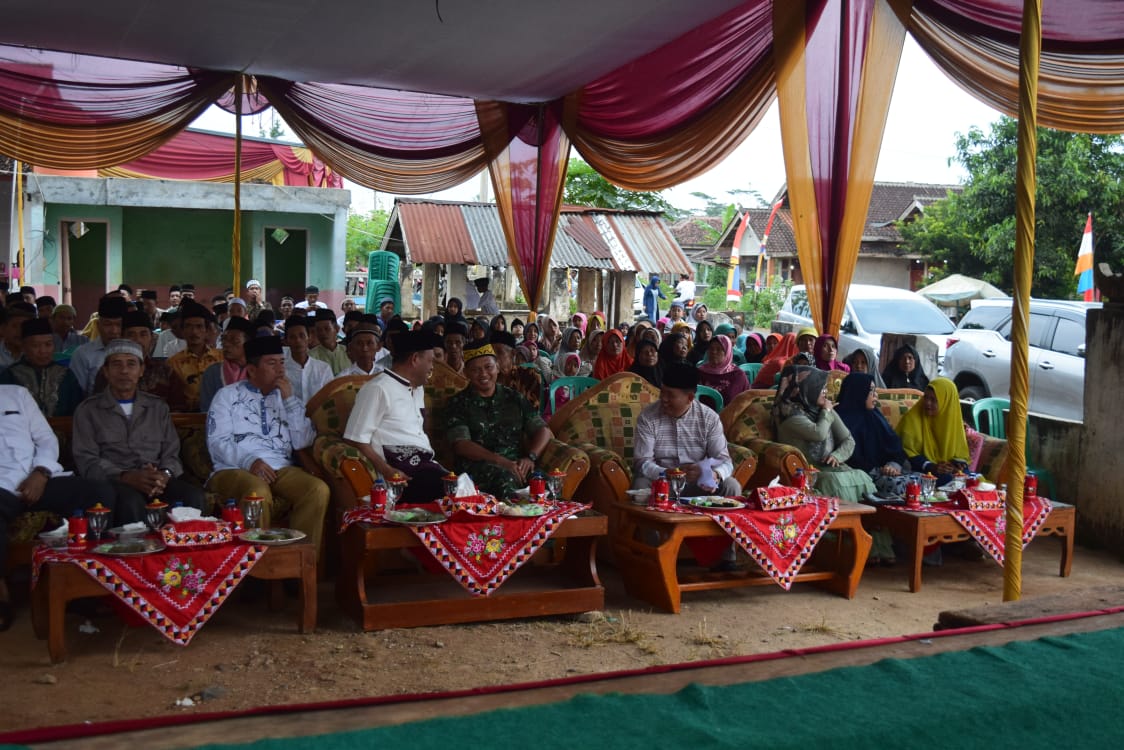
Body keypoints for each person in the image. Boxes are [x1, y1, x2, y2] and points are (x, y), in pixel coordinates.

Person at [0, 385, 116, 631]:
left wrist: (41, 473)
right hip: (1, 487)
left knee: (98, 494)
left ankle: (88, 583)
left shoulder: (16, 394)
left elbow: (46, 439)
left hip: (35, 478)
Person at [206, 336, 330, 552]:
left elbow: (303, 441)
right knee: (257, 491)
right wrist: (250, 461)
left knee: (317, 489)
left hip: (281, 467)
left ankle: (301, 562)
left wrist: (289, 401)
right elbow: (217, 442)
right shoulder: (227, 396)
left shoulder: (287, 398)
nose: (280, 369)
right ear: (252, 370)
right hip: (233, 468)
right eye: (271, 363)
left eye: (282, 362)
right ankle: (257, 565)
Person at [73, 339, 206, 524]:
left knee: (192, 496)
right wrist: (126, 477)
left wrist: (164, 475)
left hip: (156, 480)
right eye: (116, 364)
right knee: (130, 502)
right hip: (114, 481)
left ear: (141, 370)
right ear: (106, 371)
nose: (124, 371)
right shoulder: (88, 410)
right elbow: (87, 460)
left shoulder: (158, 407)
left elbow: (171, 453)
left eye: (131, 364)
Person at [343, 330, 448, 503]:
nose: (432, 367)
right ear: (415, 359)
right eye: (430, 361)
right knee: (454, 496)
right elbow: (355, 439)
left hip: (426, 465)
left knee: (466, 491)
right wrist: (387, 470)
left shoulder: (418, 388)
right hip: (401, 475)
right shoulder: (377, 389)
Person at [446, 343, 552, 497]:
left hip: (516, 466)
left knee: (548, 485)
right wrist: (501, 461)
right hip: (478, 470)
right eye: (476, 370)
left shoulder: (514, 398)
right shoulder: (458, 403)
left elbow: (544, 430)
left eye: (488, 367)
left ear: (497, 367)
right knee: (505, 483)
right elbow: (461, 444)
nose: (483, 374)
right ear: (466, 372)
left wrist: (530, 457)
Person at [632, 362, 741, 497]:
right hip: (663, 482)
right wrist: (667, 473)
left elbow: (725, 461)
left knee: (731, 485)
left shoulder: (709, 418)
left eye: (670, 395)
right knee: (641, 485)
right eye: (662, 392)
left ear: (690, 398)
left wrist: (715, 474)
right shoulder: (648, 417)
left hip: (697, 484)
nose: (663, 399)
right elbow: (642, 462)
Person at [773, 367, 876, 503]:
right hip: (807, 472)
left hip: (829, 467)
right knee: (833, 482)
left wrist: (837, 456)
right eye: (821, 388)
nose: (825, 392)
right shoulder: (789, 416)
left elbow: (848, 440)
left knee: (861, 476)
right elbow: (818, 434)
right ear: (806, 388)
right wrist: (827, 411)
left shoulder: (820, 410)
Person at [0, 318, 83, 417]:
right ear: (23, 347)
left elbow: (77, 411)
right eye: (35, 345)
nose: (43, 351)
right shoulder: (9, 375)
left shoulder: (66, 374)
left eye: (48, 344)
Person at [895, 377, 970, 485]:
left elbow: (960, 453)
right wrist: (931, 466)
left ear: (946, 402)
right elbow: (905, 451)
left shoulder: (953, 421)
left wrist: (956, 465)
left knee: (966, 477)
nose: (927, 403)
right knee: (946, 479)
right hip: (919, 467)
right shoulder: (911, 419)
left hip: (944, 468)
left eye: (933, 400)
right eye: (926, 397)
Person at [93, 310, 175, 401]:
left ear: (152, 338)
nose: (138, 340)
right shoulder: (108, 371)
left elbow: (178, 407)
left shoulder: (164, 369)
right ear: (122, 337)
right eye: (131, 335)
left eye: (143, 335)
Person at [167, 300, 223, 412]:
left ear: (206, 330)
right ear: (182, 331)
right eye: (188, 326)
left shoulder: (221, 358)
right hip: (187, 418)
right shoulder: (173, 363)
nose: (194, 332)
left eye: (199, 326)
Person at [69, 295, 129, 396]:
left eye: (119, 325)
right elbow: (76, 395)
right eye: (108, 324)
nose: (114, 331)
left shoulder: (134, 353)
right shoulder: (83, 354)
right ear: (98, 325)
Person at [199, 316, 256, 412]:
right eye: (224, 339)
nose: (226, 344)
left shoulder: (258, 372)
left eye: (234, 341)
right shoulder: (212, 373)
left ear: (248, 344)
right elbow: (207, 410)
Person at [281, 317, 333, 404]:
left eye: (302, 336)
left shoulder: (323, 368)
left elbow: (330, 398)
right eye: (292, 337)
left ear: (309, 338)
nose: (298, 340)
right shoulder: (281, 371)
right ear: (286, 341)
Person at [698, 334, 750, 406]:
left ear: (727, 352)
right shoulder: (700, 372)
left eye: (719, 349)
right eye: (711, 348)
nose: (713, 352)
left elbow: (747, 399)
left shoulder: (738, 375)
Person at [309, 309, 350, 375]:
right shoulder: (310, 356)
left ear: (336, 329)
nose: (323, 333)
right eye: (319, 330)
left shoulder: (349, 352)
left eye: (327, 329)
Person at [0, 302, 38, 370]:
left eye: (24, 327)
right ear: (3, 328)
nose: (20, 331)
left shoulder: (39, 354)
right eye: (15, 326)